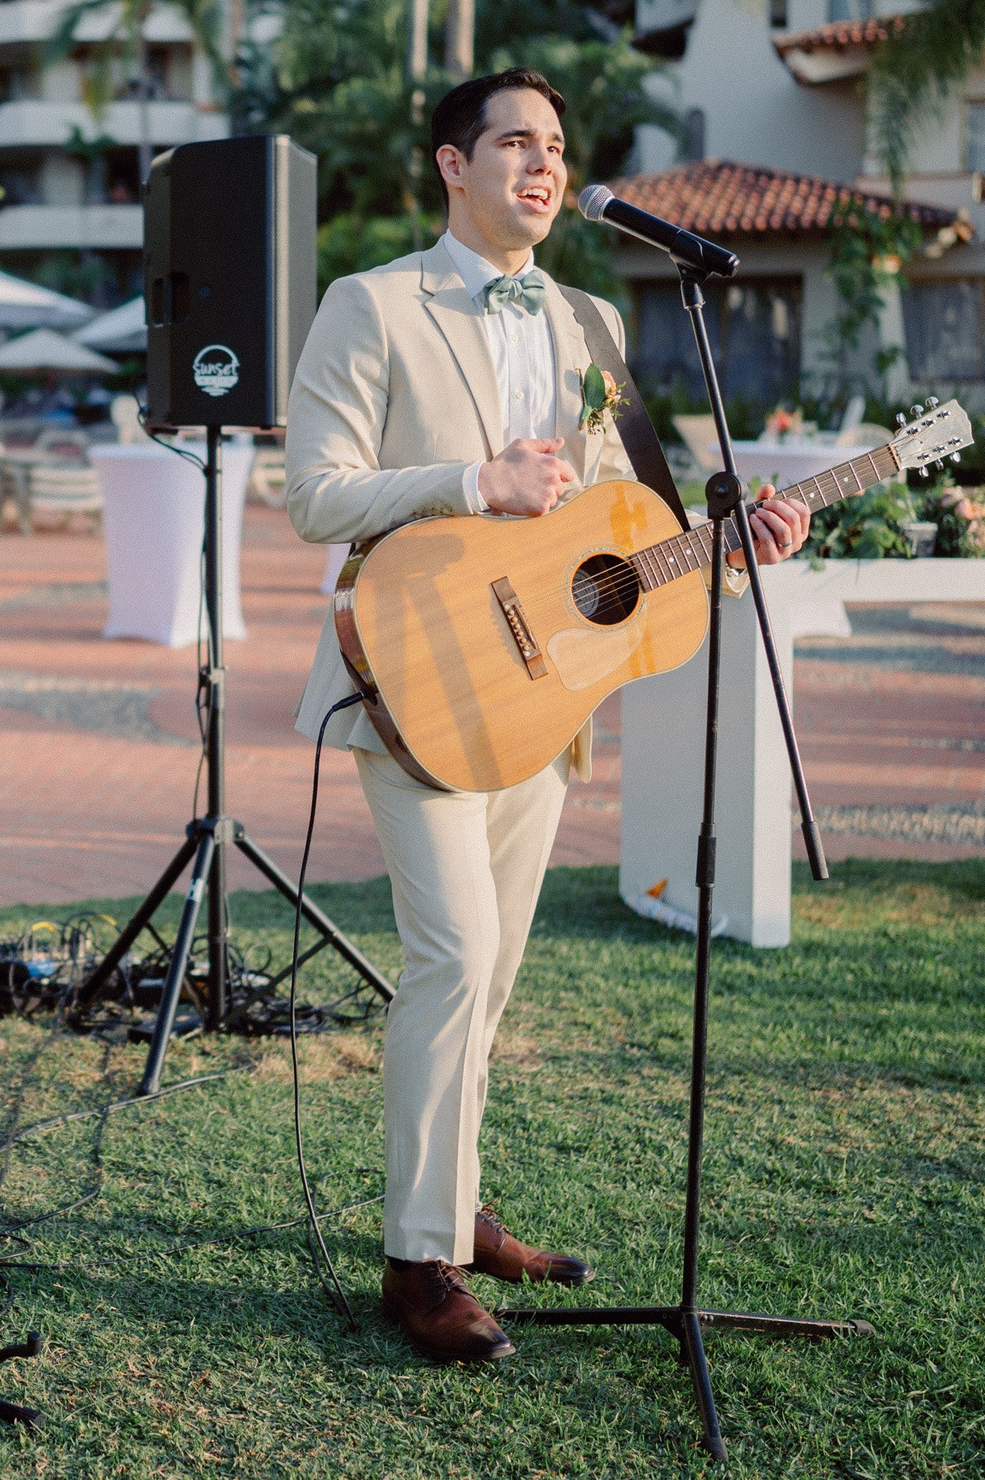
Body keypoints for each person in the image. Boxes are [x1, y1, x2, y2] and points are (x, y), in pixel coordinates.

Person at [284, 70, 811, 1365]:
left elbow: (628, 522)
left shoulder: (585, 317)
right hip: (414, 676)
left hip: (542, 691)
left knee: (497, 972)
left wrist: (729, 543)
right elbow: (313, 490)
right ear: (450, 162)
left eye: (558, 146)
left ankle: (457, 1207)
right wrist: (477, 478)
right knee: (454, 955)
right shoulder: (372, 303)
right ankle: (417, 1259)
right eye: (516, 139)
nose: (544, 162)